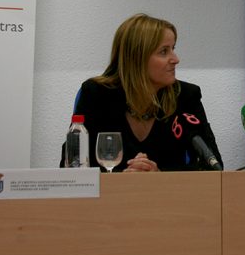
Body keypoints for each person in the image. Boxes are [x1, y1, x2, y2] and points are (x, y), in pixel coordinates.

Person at [60, 13, 222, 172]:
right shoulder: (96, 95)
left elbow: (213, 167)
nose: (175, 59)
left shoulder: (186, 97)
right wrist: (124, 179)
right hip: (110, 197)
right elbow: (71, 167)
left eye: (173, 48)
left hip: (168, 197)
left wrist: (159, 176)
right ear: (137, 58)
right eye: (164, 51)